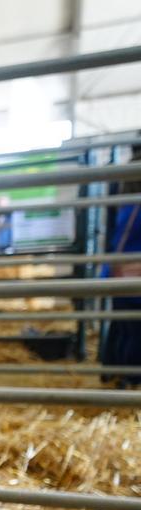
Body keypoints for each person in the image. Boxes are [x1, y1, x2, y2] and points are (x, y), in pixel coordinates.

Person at [100, 143, 141, 387]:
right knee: (134, 330)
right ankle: (130, 378)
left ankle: (116, 372)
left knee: (123, 326)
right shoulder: (135, 209)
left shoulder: (126, 204)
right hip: (131, 274)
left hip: (120, 272)